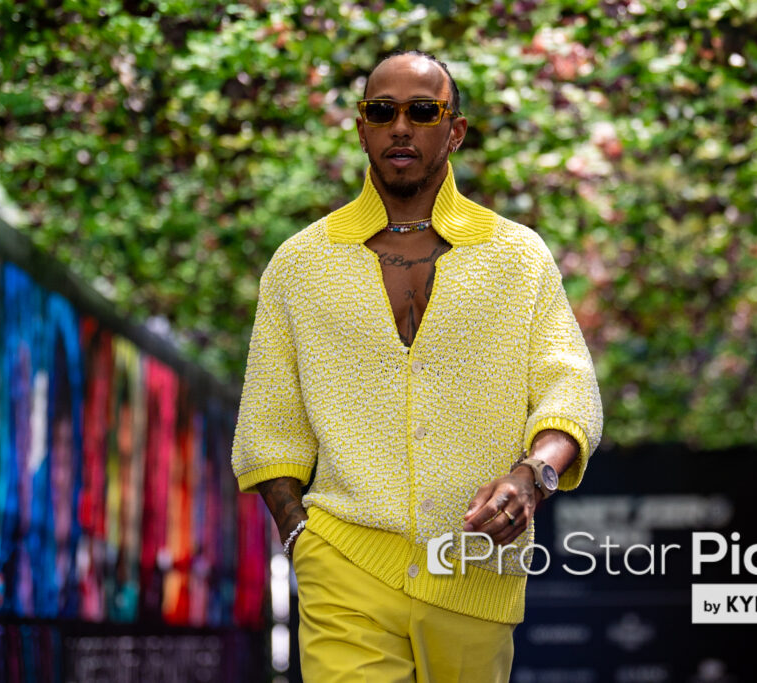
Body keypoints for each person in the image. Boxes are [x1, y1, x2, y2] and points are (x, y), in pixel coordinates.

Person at [231, 51, 602, 682]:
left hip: (474, 566)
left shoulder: (517, 257)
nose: (400, 127)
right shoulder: (300, 264)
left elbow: (568, 388)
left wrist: (533, 477)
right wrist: (301, 539)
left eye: (422, 111)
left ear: (454, 129)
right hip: (343, 564)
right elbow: (269, 425)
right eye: (383, 111)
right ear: (362, 128)